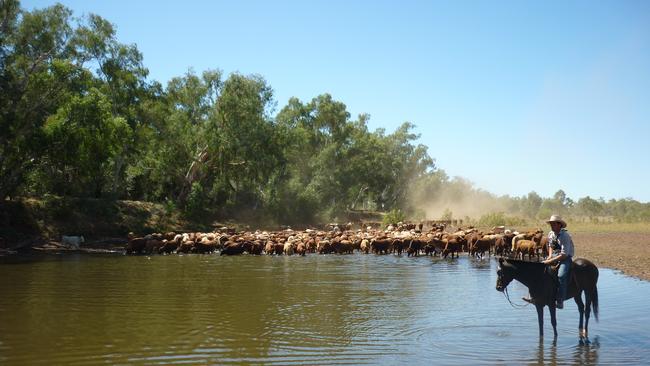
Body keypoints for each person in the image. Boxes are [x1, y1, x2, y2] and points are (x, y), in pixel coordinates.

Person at [522, 215, 575, 308]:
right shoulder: (551, 234)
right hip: (554, 255)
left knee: (561, 276)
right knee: (536, 270)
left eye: (553, 224)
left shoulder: (565, 236)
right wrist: (549, 256)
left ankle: (560, 301)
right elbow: (550, 246)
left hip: (565, 258)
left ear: (559, 225)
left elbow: (564, 254)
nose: (551, 225)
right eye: (551, 224)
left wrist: (549, 261)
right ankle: (533, 297)